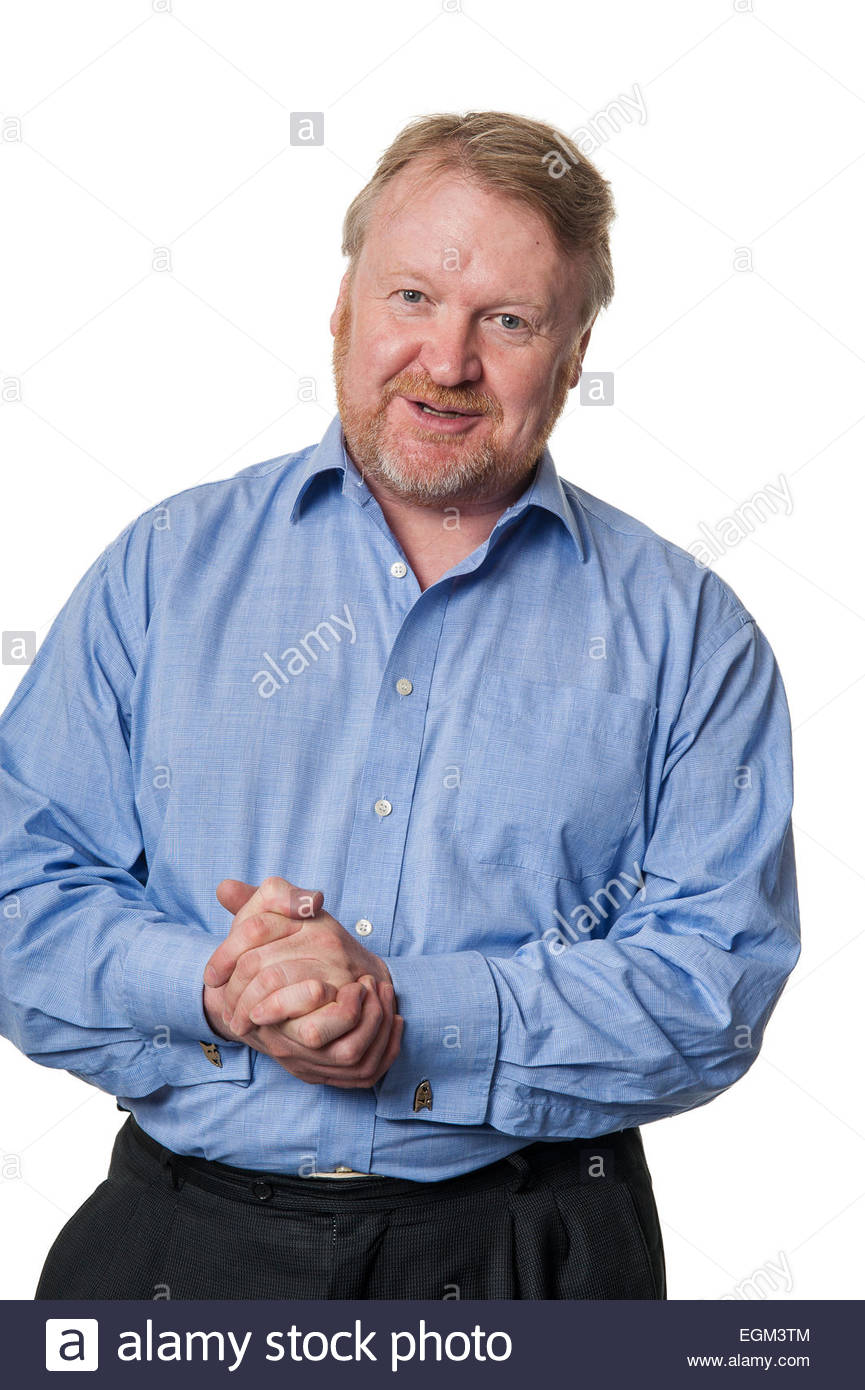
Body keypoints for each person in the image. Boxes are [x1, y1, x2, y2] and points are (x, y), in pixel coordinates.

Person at [0, 110, 800, 1301]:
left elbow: (712, 986)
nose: (447, 360)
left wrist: (406, 1009)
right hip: (178, 1253)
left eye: (508, 320)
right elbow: (18, 888)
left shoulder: (691, 633)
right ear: (342, 305)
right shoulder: (162, 571)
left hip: (533, 1259)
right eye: (412, 296)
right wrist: (214, 988)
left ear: (575, 353)